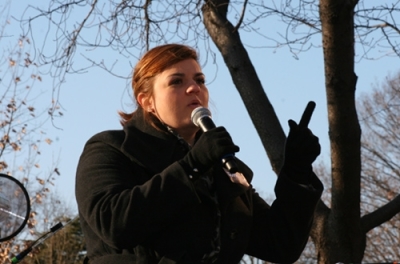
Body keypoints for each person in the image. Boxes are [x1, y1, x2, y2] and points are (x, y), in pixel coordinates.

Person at [75, 43, 323, 264]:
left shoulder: (223, 167)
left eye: (200, 80)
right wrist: (192, 166)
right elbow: (113, 224)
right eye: (177, 81)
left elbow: (280, 245)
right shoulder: (111, 148)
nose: (194, 88)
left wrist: (297, 173)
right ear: (146, 101)